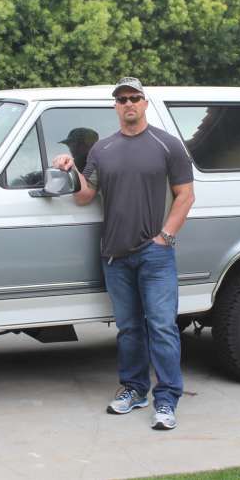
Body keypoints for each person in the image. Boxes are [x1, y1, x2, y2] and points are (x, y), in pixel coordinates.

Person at [52, 77, 195, 430]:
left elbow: (186, 195)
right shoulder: (103, 149)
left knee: (162, 327)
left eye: (134, 97)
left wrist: (166, 236)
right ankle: (134, 389)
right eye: (122, 99)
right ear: (115, 106)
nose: (128, 103)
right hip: (114, 256)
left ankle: (166, 400)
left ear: (145, 102)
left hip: (154, 255)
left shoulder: (167, 145)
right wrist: (70, 170)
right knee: (129, 329)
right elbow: (86, 195)